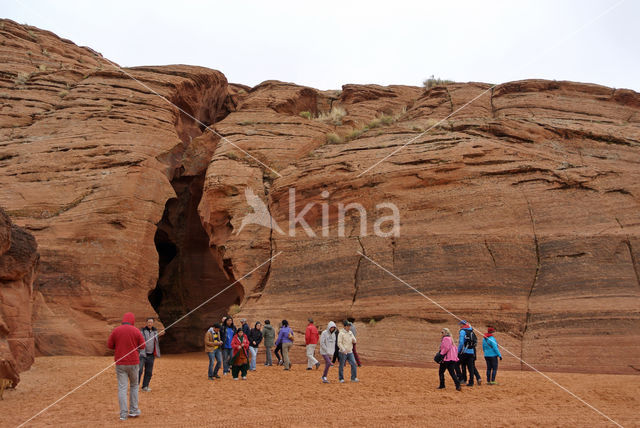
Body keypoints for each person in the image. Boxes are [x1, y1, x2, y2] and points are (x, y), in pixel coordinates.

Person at [107, 312, 145, 421]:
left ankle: (123, 414)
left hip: (120, 363)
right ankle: (133, 410)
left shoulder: (116, 330)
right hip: (134, 363)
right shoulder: (136, 331)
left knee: (122, 388)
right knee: (134, 386)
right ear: (132, 320)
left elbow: (110, 345)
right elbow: (143, 346)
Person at [138, 317, 164, 392]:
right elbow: (140, 342)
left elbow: (156, 343)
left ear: (153, 323)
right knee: (139, 370)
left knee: (149, 371)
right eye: (148, 322)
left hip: (151, 355)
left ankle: (145, 386)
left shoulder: (155, 331)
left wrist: (156, 353)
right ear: (146, 323)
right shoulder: (142, 331)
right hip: (143, 355)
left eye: (151, 322)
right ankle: (135, 386)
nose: (150, 324)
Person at [457, 320, 478, 386]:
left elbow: (461, 343)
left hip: (464, 351)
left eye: (460, 324)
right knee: (470, 367)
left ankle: (461, 378)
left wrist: (458, 351)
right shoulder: (471, 331)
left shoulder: (463, 331)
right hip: (471, 351)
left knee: (456, 364)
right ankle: (471, 382)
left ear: (463, 325)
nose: (460, 326)